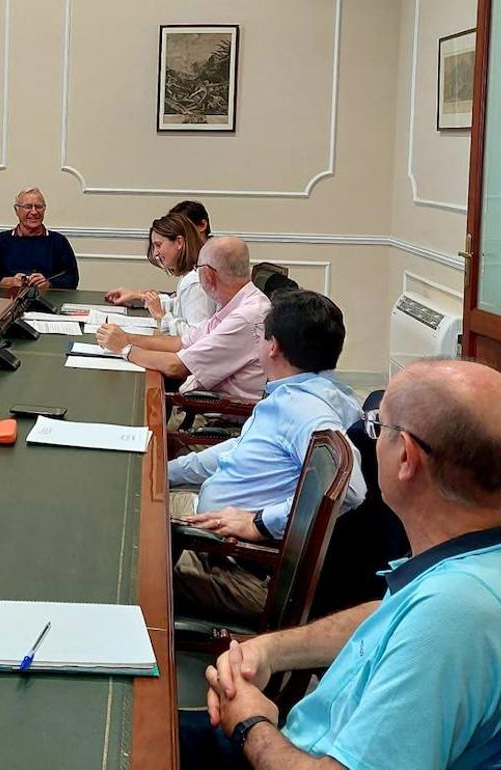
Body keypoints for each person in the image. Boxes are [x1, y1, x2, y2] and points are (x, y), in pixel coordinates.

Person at [181, 359, 501, 770]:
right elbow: (392, 614)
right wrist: (268, 650)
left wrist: (249, 724)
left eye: (377, 428)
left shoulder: (455, 614)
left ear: (406, 456)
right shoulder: (464, 559)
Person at [168, 290, 365, 621]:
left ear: (273, 347)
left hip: (237, 566)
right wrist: (166, 471)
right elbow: (237, 450)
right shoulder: (297, 394)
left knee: (127, 556)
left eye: (260, 337)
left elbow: (351, 488)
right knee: (131, 500)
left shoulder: (306, 411)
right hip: (213, 537)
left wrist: (260, 522)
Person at [97, 236, 269, 402]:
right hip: (202, 402)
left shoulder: (245, 317)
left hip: (213, 415)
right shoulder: (239, 302)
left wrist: (125, 349)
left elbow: (176, 367)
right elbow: (183, 342)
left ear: (208, 274)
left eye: (197, 269)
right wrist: (126, 338)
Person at [105, 213, 217, 335]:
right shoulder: (191, 277)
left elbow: (197, 337)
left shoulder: (195, 283)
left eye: (158, 245)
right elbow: (180, 305)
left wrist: (161, 316)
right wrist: (139, 297)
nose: (155, 253)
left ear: (179, 242)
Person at [0, 187, 79, 290]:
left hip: (48, 301)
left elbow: (72, 279)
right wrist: (9, 281)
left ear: (44, 210)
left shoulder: (59, 241)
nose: (34, 212)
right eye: (28, 207)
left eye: (39, 207)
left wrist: (49, 284)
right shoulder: (1, 240)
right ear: (16, 210)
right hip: (9, 301)